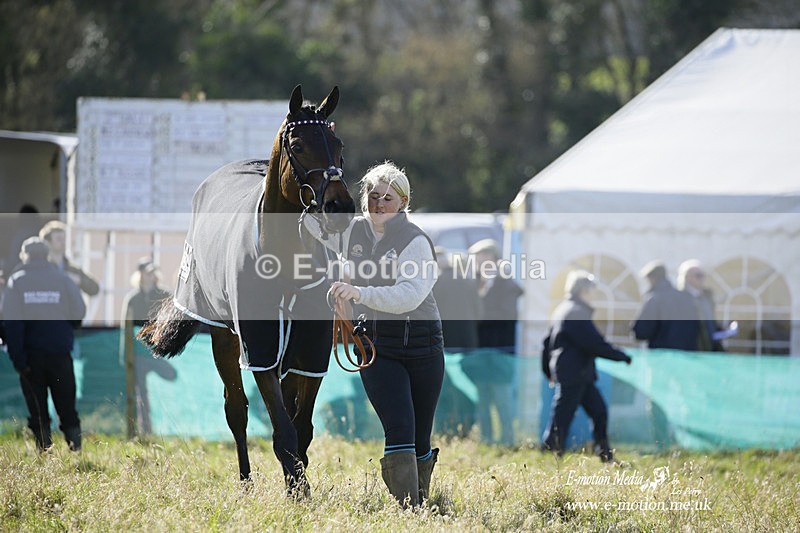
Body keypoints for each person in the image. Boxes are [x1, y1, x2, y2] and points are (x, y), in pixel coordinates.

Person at [323, 161, 444, 507]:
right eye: (373, 196)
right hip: (376, 347)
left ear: (403, 202)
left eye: (387, 198)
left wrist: (359, 293)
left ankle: (421, 504)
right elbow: (318, 233)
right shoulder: (350, 232)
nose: (378, 204)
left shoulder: (416, 241)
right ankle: (408, 510)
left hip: (424, 347)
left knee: (420, 436)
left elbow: (409, 296)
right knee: (400, 426)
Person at [1, 237, 86, 452]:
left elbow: (11, 324)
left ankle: (45, 453)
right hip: (60, 354)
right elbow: (79, 312)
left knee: (38, 410)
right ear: (47, 255)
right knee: (67, 406)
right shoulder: (62, 278)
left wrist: (19, 360)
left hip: (31, 358)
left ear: (24, 255)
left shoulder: (17, 281)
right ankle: (76, 451)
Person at [541, 270, 631, 462]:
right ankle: (550, 452)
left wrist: (548, 370)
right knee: (564, 414)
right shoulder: (576, 313)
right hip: (574, 373)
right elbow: (594, 343)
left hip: (578, 373)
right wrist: (621, 356)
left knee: (598, 411)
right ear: (583, 290)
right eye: (591, 290)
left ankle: (604, 453)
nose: (593, 294)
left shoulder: (563, 309)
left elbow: (547, 343)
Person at [465, 238, 523, 445]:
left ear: (491, 257)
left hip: (500, 350)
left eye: (479, 256)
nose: (476, 261)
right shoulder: (474, 283)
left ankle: (508, 440)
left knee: (502, 398)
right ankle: (486, 440)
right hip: (480, 350)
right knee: (483, 398)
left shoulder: (506, 284)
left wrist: (478, 315)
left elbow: (507, 315)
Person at [120, 258, 174, 436]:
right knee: (141, 393)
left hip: (160, 353)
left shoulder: (165, 295)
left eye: (152, 272)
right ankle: (145, 430)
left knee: (169, 380)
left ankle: (170, 426)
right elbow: (126, 329)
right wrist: (125, 356)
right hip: (139, 355)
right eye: (147, 272)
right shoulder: (133, 299)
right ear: (140, 274)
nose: (150, 275)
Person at [631, 260, 700, 351]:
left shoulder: (655, 299)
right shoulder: (687, 298)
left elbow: (641, 332)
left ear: (652, 278)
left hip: (661, 355)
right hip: (687, 354)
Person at [432, 246, 481, 352]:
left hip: (444, 335)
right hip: (467, 335)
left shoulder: (437, 282)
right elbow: (479, 312)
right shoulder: (469, 283)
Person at [38, 220, 100, 297]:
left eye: (64, 239)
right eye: (59, 239)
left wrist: (79, 281)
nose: (63, 242)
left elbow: (95, 289)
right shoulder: (41, 267)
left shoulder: (72, 269)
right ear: (48, 242)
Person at [677, 259, 725, 352]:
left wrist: (721, 330)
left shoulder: (707, 297)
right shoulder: (680, 298)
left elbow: (710, 321)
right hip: (693, 348)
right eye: (698, 276)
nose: (702, 278)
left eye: (703, 275)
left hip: (710, 346)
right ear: (687, 278)